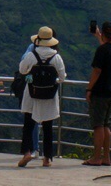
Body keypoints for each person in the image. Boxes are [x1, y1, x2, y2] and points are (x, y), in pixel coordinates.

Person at [17, 27, 67, 167]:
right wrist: (54, 81)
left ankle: (27, 152)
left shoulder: (32, 55)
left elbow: (22, 70)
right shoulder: (56, 57)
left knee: (28, 124)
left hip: (32, 93)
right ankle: (47, 158)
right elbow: (62, 77)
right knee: (48, 126)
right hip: (49, 95)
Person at [84, 21, 111, 167]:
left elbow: (97, 70)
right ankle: (106, 157)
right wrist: (98, 36)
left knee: (98, 125)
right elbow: (105, 46)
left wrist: (89, 89)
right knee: (106, 125)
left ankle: (96, 157)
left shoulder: (101, 51)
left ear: (104, 34)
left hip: (100, 92)